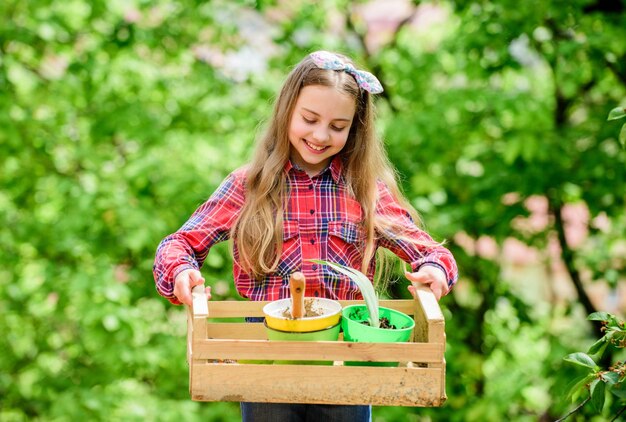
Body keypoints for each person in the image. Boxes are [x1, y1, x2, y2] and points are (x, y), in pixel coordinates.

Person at [153, 50, 458, 422]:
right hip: (267, 362)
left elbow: (431, 252)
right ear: (286, 113)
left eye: (337, 126)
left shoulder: (364, 191)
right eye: (309, 119)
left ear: (354, 130)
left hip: (343, 363)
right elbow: (179, 244)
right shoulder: (249, 186)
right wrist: (182, 272)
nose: (319, 135)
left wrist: (436, 270)